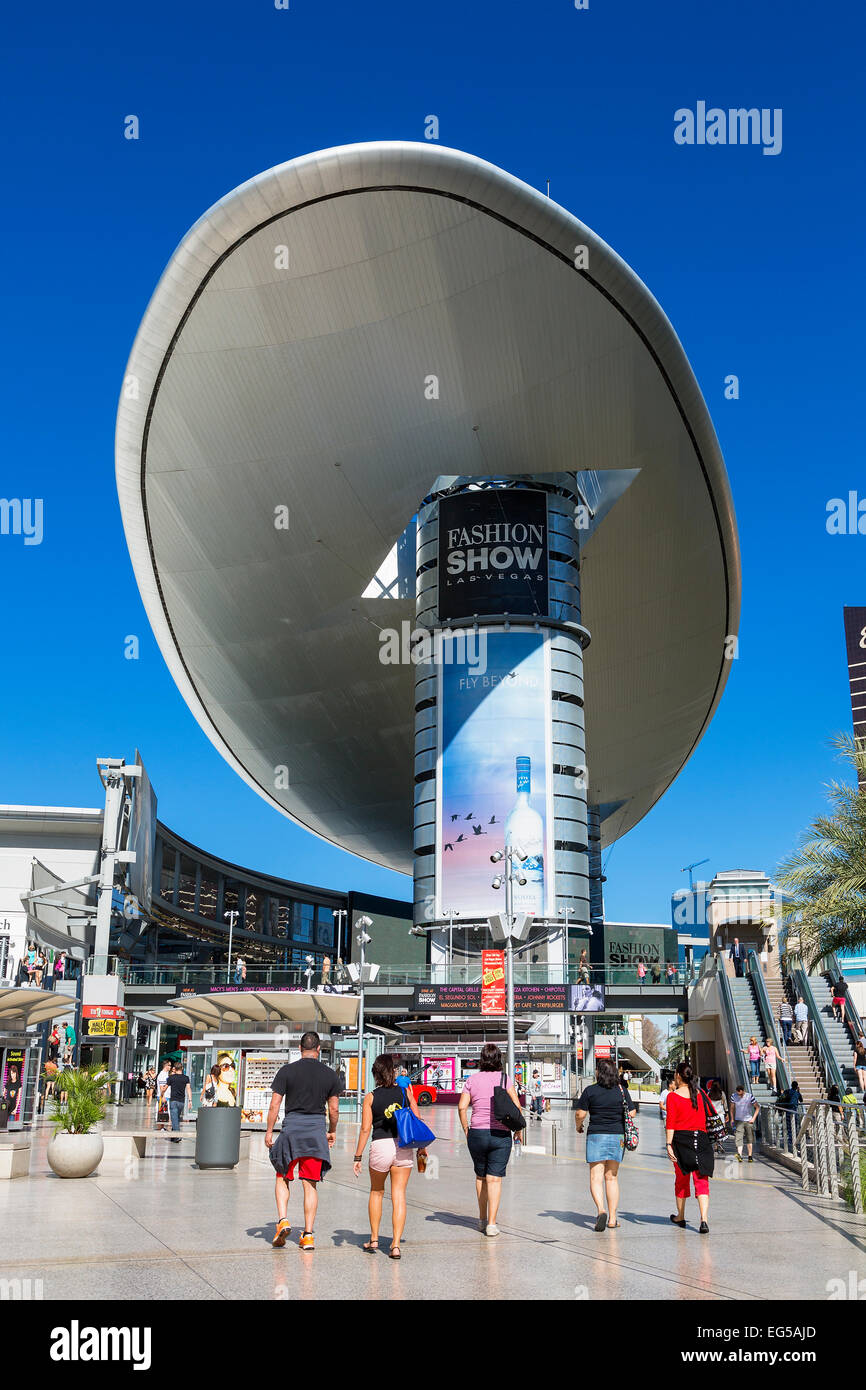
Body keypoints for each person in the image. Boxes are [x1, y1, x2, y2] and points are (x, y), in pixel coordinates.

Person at [265, 1030, 341, 1251]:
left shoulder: (287, 1071)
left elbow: (274, 1105)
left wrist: (269, 1131)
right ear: (319, 1049)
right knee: (310, 1184)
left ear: (300, 1049)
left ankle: (283, 1220)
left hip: (291, 1130)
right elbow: (334, 1109)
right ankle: (307, 1235)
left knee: (282, 1176)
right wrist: (332, 1130)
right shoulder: (330, 1075)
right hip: (316, 1131)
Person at [352, 1053, 427, 1258]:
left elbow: (366, 1129)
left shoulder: (371, 1097)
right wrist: (421, 1148)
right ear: (393, 1072)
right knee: (399, 1195)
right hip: (403, 1146)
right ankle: (395, 1245)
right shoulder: (404, 1093)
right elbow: (417, 1118)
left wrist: (357, 1156)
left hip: (381, 1146)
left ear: (375, 1074)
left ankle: (374, 1239)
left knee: (376, 1191)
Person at [458, 1042, 523, 1237]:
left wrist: (466, 1129)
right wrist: (518, 1131)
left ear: (482, 1059)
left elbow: (462, 1107)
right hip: (500, 1135)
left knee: (480, 1177)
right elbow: (517, 1107)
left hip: (477, 1133)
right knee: (494, 1179)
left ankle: (481, 1219)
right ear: (498, 1059)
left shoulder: (472, 1080)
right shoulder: (504, 1079)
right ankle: (492, 1224)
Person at [575, 1057, 635, 1231]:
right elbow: (632, 1112)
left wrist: (578, 1126)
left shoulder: (590, 1091)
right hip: (618, 1136)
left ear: (599, 1073)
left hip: (596, 1136)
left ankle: (601, 1210)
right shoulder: (621, 1090)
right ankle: (613, 1218)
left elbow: (580, 1114)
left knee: (596, 1178)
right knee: (612, 1178)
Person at [665, 1061, 713, 1233]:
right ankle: (704, 1220)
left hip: (681, 1141)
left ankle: (681, 1216)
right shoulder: (700, 1094)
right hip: (701, 1140)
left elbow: (670, 1123)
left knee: (682, 1179)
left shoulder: (672, 1096)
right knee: (701, 1181)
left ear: (678, 1075)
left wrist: (668, 1144)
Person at [730, 1084, 759, 1162]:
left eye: (741, 1094)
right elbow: (732, 1108)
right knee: (738, 1138)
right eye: (738, 1094)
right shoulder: (734, 1096)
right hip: (738, 1120)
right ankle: (740, 1155)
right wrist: (732, 1119)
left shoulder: (750, 1096)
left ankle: (750, 1156)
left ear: (743, 1091)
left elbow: (757, 1107)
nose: (740, 1096)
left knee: (749, 1139)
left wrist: (753, 1118)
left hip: (748, 1120)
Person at [166, 1062, 191, 1142]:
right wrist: (190, 1100)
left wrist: (162, 1093)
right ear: (182, 1068)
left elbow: (165, 1088)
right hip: (181, 1102)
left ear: (175, 1069)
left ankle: (177, 1136)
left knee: (174, 1119)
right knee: (176, 1118)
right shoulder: (186, 1078)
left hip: (173, 1101)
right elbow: (188, 1089)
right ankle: (173, 1136)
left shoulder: (171, 1078)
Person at [777, 1079, 803, 1147]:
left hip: (787, 1110)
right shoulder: (797, 1093)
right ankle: (794, 1139)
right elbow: (801, 1100)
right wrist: (798, 1091)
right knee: (794, 1125)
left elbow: (781, 1098)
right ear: (797, 1086)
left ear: (791, 1086)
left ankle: (790, 1139)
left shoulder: (787, 1091)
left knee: (788, 1125)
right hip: (794, 1110)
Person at [707, 1079, 728, 1153]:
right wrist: (727, 1113)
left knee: (715, 1131)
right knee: (721, 1131)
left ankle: (715, 1146)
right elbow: (725, 1103)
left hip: (713, 1115)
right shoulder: (721, 1093)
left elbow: (707, 1104)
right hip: (721, 1114)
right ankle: (720, 1144)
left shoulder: (709, 1093)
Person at [155, 1058, 171, 1129]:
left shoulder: (166, 1074)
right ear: (165, 1065)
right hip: (163, 1097)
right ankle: (160, 1128)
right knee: (161, 1113)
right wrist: (163, 1096)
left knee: (164, 1113)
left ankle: (162, 1128)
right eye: (169, 1065)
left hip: (166, 1096)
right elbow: (161, 1087)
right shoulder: (162, 1075)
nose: (170, 1067)